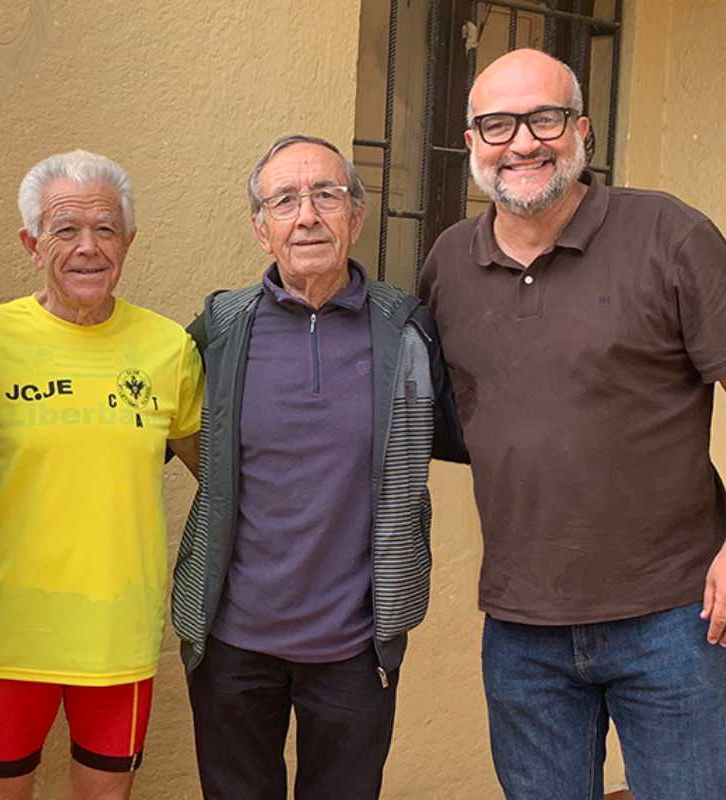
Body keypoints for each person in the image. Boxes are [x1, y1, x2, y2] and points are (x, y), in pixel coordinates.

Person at [420, 48, 726, 800]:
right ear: (470, 143)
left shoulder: (668, 234)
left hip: (672, 615)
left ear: (580, 129)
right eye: (496, 125)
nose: (521, 142)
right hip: (521, 623)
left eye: (543, 118)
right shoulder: (448, 263)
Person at [171, 133, 466, 800]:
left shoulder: (405, 330)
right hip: (232, 643)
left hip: (356, 648)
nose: (306, 215)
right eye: (284, 200)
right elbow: (145, 425)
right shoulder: (219, 328)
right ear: (260, 228)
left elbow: (475, 426)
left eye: (325, 195)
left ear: (355, 217)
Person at [0, 150, 203, 800]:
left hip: (116, 636)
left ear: (128, 241)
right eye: (65, 229)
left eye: (105, 229)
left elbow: (222, 476)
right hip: (11, 631)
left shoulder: (169, 350)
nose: (88, 248)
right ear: (31, 244)